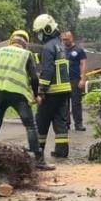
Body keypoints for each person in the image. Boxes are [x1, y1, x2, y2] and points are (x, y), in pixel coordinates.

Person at [0, 30, 54, 170]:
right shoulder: (26, 54)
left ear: (11, 40)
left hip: (0, 93)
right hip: (18, 95)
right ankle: (39, 160)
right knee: (30, 125)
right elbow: (34, 78)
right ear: (25, 44)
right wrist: (35, 95)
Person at [32, 13, 72, 158]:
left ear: (47, 30)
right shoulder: (60, 46)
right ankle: (62, 150)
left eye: (40, 32)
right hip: (64, 91)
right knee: (60, 120)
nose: (39, 36)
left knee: (42, 120)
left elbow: (47, 70)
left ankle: (38, 150)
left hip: (51, 91)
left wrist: (41, 91)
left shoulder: (47, 47)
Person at [62, 30, 88, 131]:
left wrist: (83, 79)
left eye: (67, 39)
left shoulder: (79, 50)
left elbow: (83, 64)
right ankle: (66, 123)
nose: (65, 41)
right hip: (63, 80)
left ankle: (78, 124)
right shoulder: (61, 50)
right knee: (64, 103)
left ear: (71, 38)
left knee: (76, 102)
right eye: (63, 39)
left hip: (75, 79)